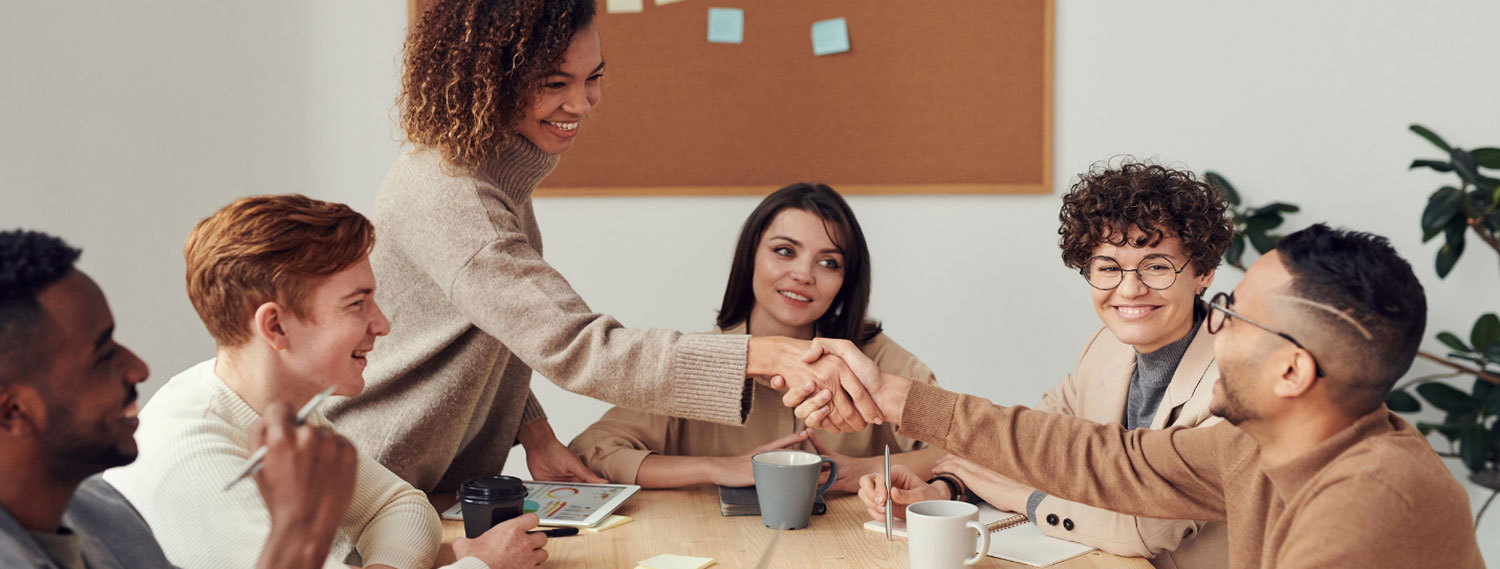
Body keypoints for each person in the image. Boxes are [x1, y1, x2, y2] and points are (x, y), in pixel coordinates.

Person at [326, 0, 878, 493]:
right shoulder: (456, 196)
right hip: (374, 483)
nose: (583, 102)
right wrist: (759, 354)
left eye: (593, 77)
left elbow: (498, 330)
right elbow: (578, 346)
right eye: (554, 82)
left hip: (429, 487)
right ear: (492, 78)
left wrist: (534, 433)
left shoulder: (492, 177)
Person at [808, 224, 1485, 569]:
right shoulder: (1253, 444)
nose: (1211, 324)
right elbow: (1107, 458)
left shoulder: (1371, 500)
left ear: (1292, 372)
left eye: (1230, 312)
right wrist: (898, 397)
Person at [105, 196, 542, 569]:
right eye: (357, 305)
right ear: (275, 326)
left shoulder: (277, 407)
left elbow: (400, 505)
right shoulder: (196, 463)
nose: (383, 324)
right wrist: (481, 563)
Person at [857, 162, 1232, 567]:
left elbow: (1144, 528)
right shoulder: (1105, 347)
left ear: (1203, 273)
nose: (1129, 289)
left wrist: (1024, 499)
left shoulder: (1238, 379)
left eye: (1156, 266)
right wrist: (948, 491)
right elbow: (1034, 447)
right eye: (1108, 268)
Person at [0, 229, 357, 569]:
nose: (139, 368)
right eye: (103, 354)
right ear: (13, 411)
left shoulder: (105, 514)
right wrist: (300, 533)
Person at [569, 183, 942, 492]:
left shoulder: (878, 361)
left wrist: (855, 472)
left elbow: (964, 453)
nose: (803, 274)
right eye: (784, 251)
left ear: (846, 282)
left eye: (828, 262)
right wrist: (720, 468)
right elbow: (591, 452)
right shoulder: (697, 362)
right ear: (751, 257)